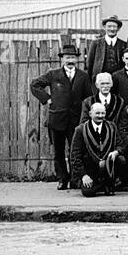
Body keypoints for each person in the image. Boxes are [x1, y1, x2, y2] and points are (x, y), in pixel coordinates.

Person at [30, 44, 91, 189]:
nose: (70, 60)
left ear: (77, 59)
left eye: (73, 58)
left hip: (76, 120)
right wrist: (47, 99)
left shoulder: (83, 76)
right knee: (58, 151)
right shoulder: (53, 74)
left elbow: (88, 96)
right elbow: (35, 85)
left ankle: (76, 179)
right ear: (62, 59)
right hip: (57, 119)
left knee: (75, 150)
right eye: (67, 57)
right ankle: (62, 179)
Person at [70, 102, 123, 196]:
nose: (100, 116)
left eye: (103, 113)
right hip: (90, 167)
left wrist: (116, 152)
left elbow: (121, 145)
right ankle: (104, 185)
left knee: (121, 160)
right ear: (90, 114)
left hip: (107, 167)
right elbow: (75, 155)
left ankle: (108, 182)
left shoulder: (111, 127)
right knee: (88, 192)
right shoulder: (81, 129)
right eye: (97, 113)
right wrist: (84, 175)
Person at [85, 15, 127, 80]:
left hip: (118, 79)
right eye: (109, 26)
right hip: (99, 79)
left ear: (118, 28)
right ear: (104, 27)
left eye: (114, 26)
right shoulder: (96, 43)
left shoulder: (123, 45)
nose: (112, 29)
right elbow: (90, 63)